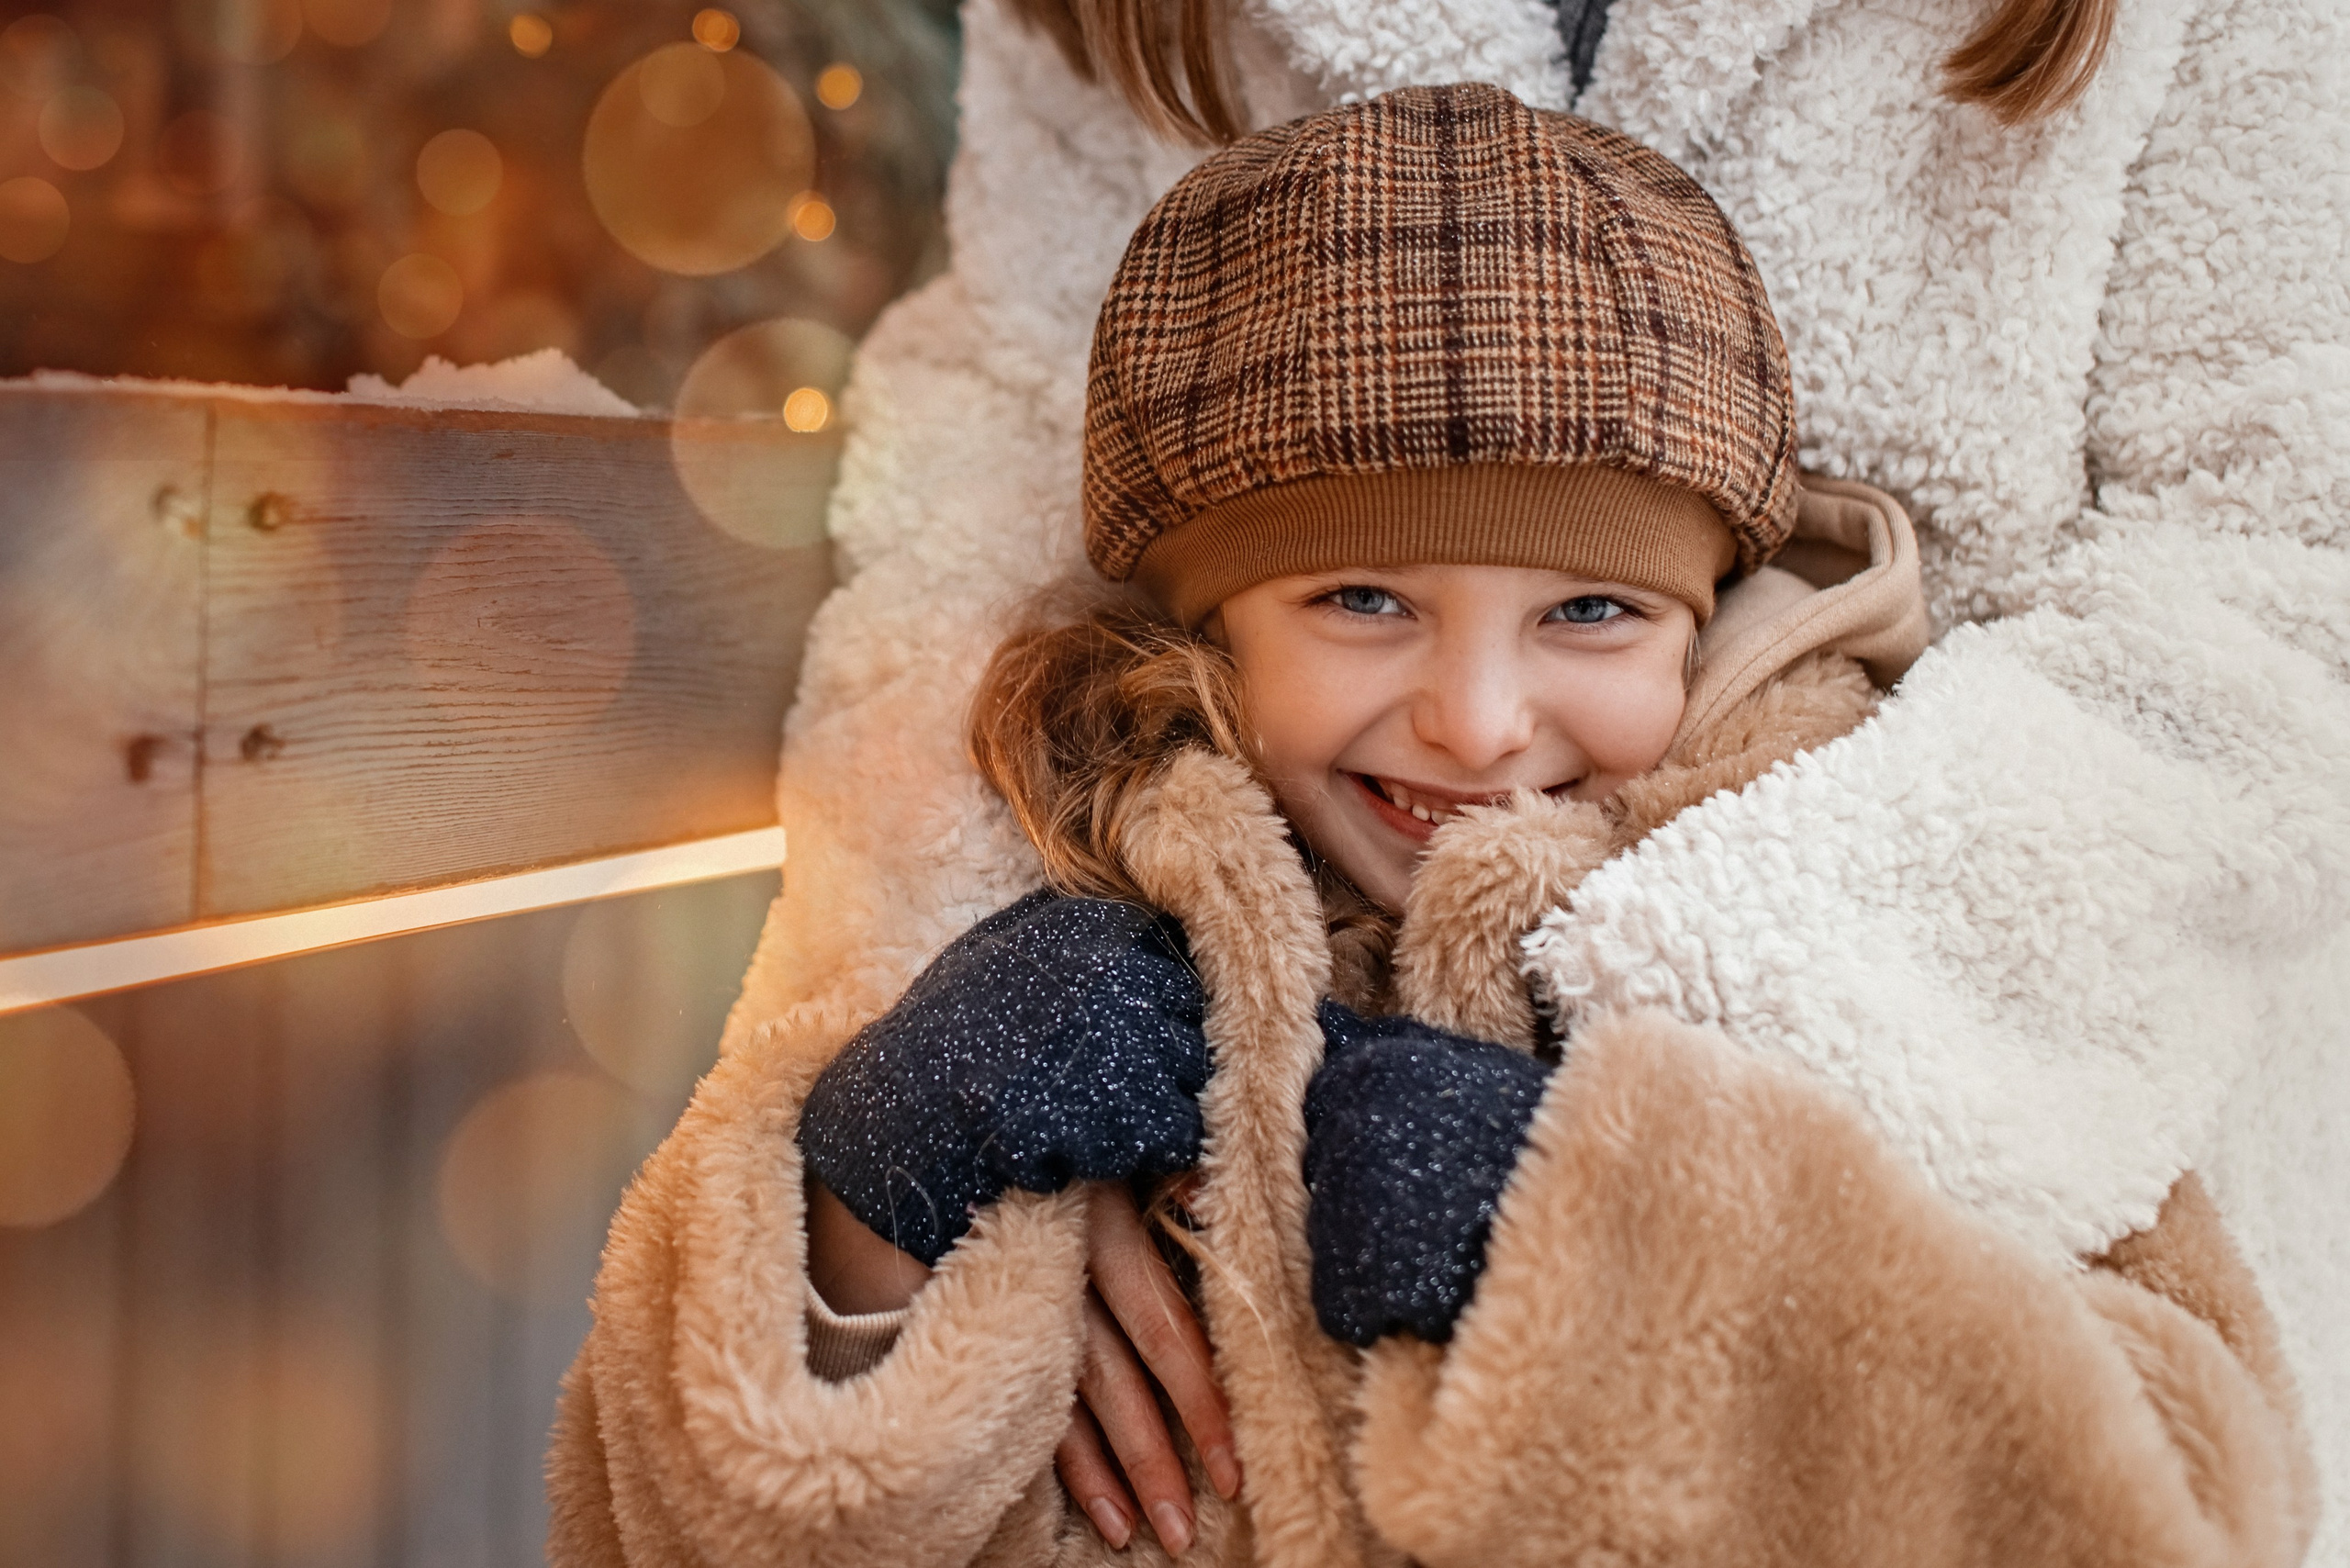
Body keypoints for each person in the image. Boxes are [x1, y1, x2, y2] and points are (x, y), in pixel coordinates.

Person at [549, 84, 2314, 1568]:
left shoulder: (1860, 945)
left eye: (1592, 614)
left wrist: (1589, 1240)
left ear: (1717, 624)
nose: (1477, 719)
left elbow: (2187, 1495)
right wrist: (874, 1195)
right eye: (1365, 599)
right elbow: (674, 1527)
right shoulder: (1100, 970)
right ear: (1206, 625)